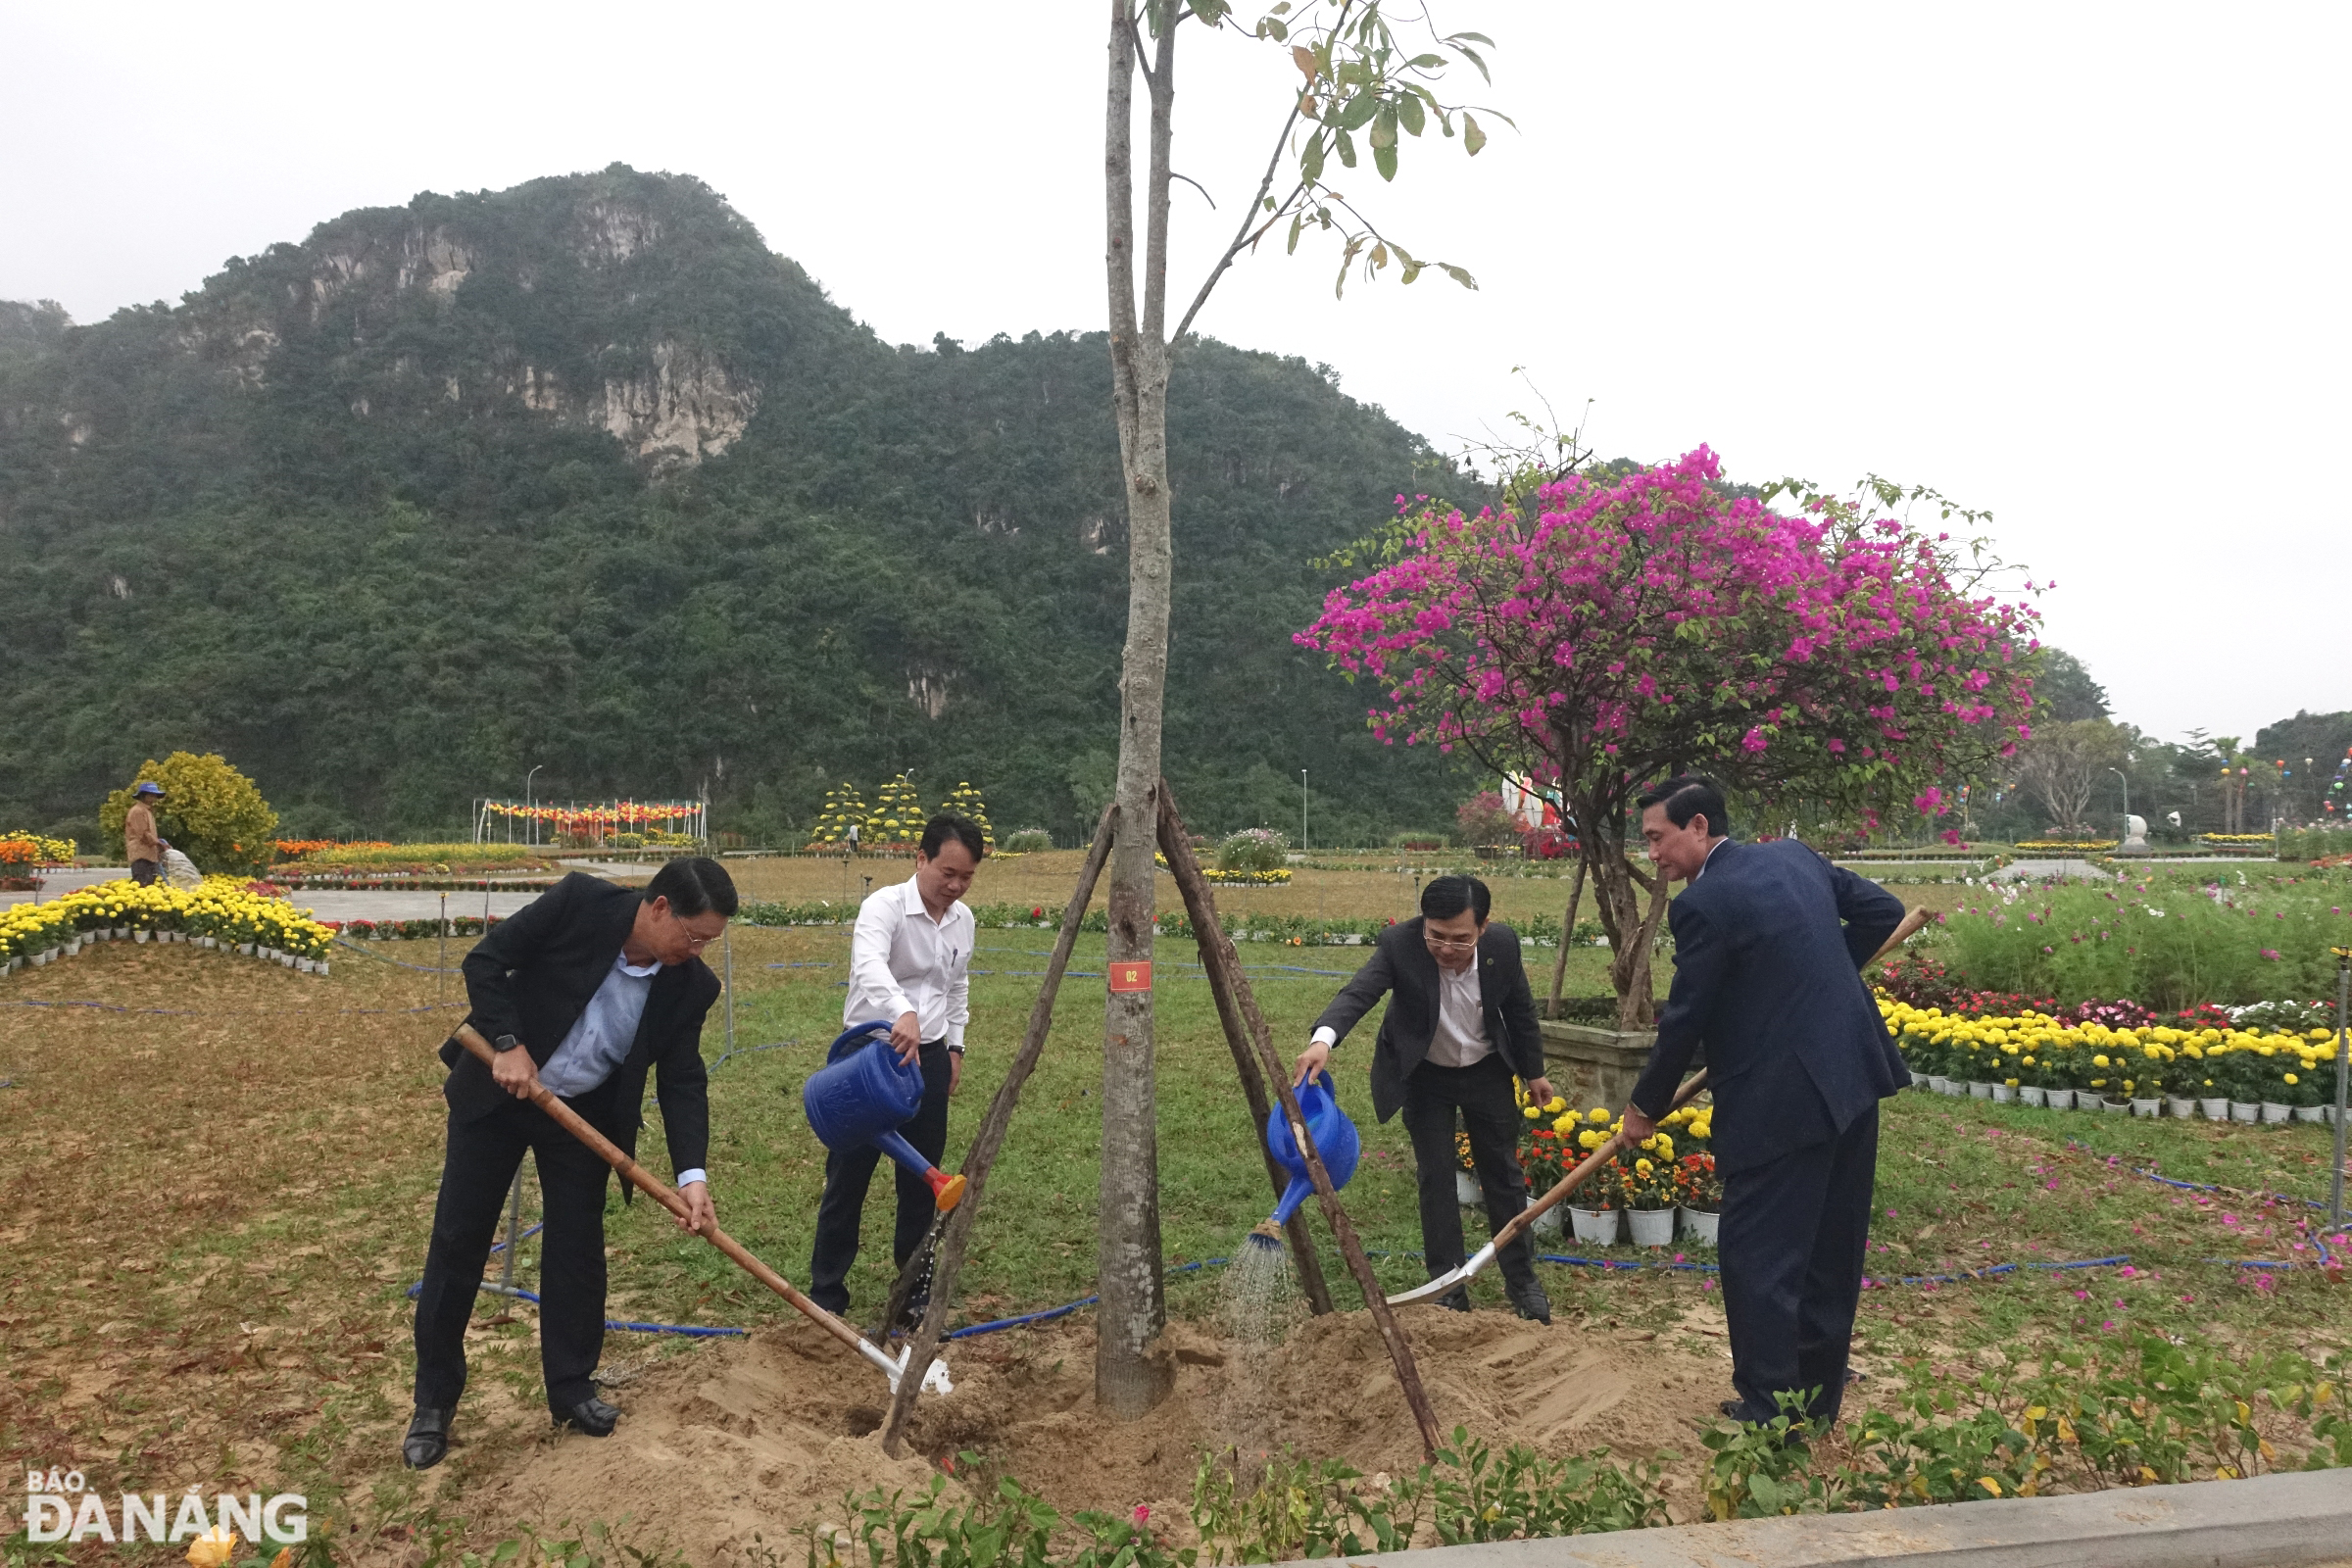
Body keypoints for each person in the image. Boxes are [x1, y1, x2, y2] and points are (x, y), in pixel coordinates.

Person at [404, 857, 737, 1469]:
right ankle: (433, 1402)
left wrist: (693, 1175)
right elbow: (485, 963)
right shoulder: (580, 903)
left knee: (577, 1248)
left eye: (709, 942)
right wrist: (506, 1044)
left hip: (584, 1118)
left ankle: (571, 1388)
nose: (698, 951)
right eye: (694, 937)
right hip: (501, 1093)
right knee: (459, 1240)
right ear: (659, 906)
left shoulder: (691, 986)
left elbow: (683, 1079)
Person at [1617, 775, 1905, 1427]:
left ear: (1697, 827)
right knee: (1833, 1250)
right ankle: (1817, 1400)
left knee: (1759, 1255)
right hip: (1855, 1077)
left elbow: (1684, 1020)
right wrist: (1814, 976)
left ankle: (1771, 1408)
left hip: (1782, 1099)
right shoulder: (1794, 857)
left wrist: (1644, 1108)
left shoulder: (1705, 903)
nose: (1652, 855)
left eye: (1657, 838)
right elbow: (1883, 913)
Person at [1293, 874, 1555, 1323]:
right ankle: (1448, 1286)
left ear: (1483, 928)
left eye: (1460, 939)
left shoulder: (1503, 947)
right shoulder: (1401, 944)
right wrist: (1323, 1040)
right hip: (1425, 1076)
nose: (1447, 948)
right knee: (1436, 1178)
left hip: (1487, 1071)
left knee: (1504, 1178)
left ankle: (1522, 1282)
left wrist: (1534, 1072)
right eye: (1436, 935)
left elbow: (1519, 1010)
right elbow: (1359, 992)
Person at [809, 813, 982, 1322]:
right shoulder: (883, 907)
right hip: (869, 1059)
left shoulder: (962, 921)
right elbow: (869, 965)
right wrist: (899, 1009)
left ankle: (913, 1294)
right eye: (947, 872)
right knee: (848, 1176)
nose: (955, 886)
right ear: (921, 859)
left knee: (921, 1181)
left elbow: (956, 987)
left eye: (966, 877)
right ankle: (827, 1295)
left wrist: (955, 1047)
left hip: (925, 1060)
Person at [122, 781, 165, 887]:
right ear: (143, 796)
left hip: (149, 854)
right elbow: (143, 834)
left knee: (150, 884)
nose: (154, 798)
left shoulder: (147, 811)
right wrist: (159, 844)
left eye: (155, 795)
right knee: (142, 885)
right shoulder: (138, 811)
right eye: (151, 795)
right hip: (141, 855)